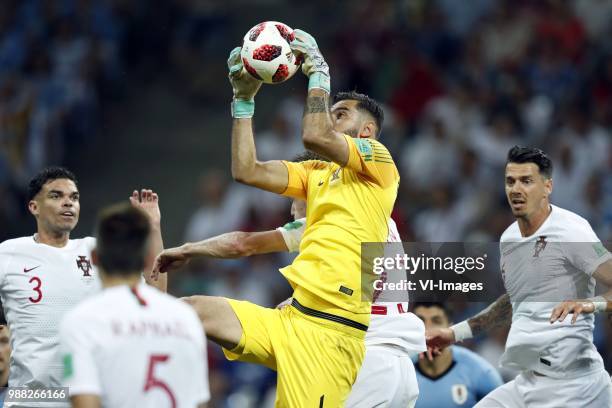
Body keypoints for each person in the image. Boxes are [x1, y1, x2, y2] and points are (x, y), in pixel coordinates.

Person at [183, 28, 400, 406]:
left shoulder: (379, 163)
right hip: (291, 318)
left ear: (367, 133)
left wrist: (319, 73)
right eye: (331, 112)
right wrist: (243, 102)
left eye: (341, 114)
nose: (331, 119)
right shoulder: (317, 172)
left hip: (332, 333)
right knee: (188, 312)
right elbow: (246, 170)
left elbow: (314, 134)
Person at [155, 164, 425, 407]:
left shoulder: (335, 223)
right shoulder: (374, 220)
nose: (291, 210)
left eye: (295, 199)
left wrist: (188, 250)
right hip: (397, 366)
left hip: (362, 361)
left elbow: (242, 243)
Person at [426, 146, 612, 407]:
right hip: (526, 383)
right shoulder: (509, 238)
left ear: (547, 187)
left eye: (527, 181)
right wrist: (453, 333)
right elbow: (514, 301)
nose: (516, 189)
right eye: (510, 181)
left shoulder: (571, 230)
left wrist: (589, 304)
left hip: (574, 388)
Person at [0, 167, 166, 407]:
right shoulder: (9, 254)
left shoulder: (96, 252)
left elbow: (156, 297)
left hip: (89, 399)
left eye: (74, 197)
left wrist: (153, 227)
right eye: (56, 196)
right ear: (33, 207)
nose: (68, 203)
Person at [59, 203, 209, 408]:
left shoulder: (83, 322)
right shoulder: (185, 318)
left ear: (94, 257)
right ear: (149, 257)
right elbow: (199, 402)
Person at [411, 302, 502, 407]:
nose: (427, 328)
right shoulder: (399, 371)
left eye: (436, 321)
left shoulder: (480, 371)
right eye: (420, 321)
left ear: (450, 327)